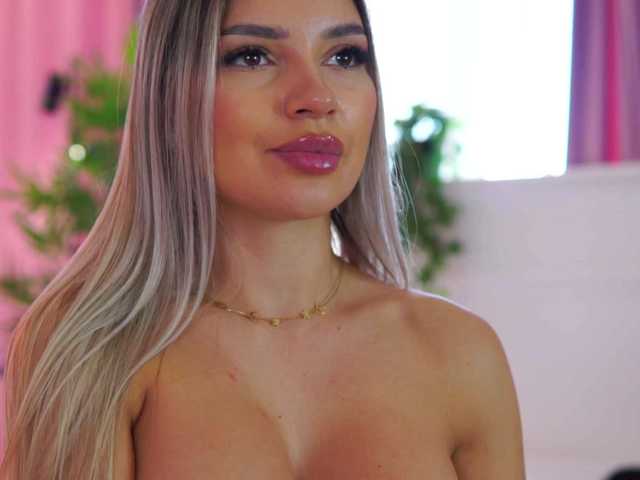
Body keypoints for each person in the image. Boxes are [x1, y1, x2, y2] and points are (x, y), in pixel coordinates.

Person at [0, 0, 525, 478]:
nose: (316, 98)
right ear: (171, 93)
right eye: (252, 56)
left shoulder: (460, 351)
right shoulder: (95, 347)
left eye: (344, 56)